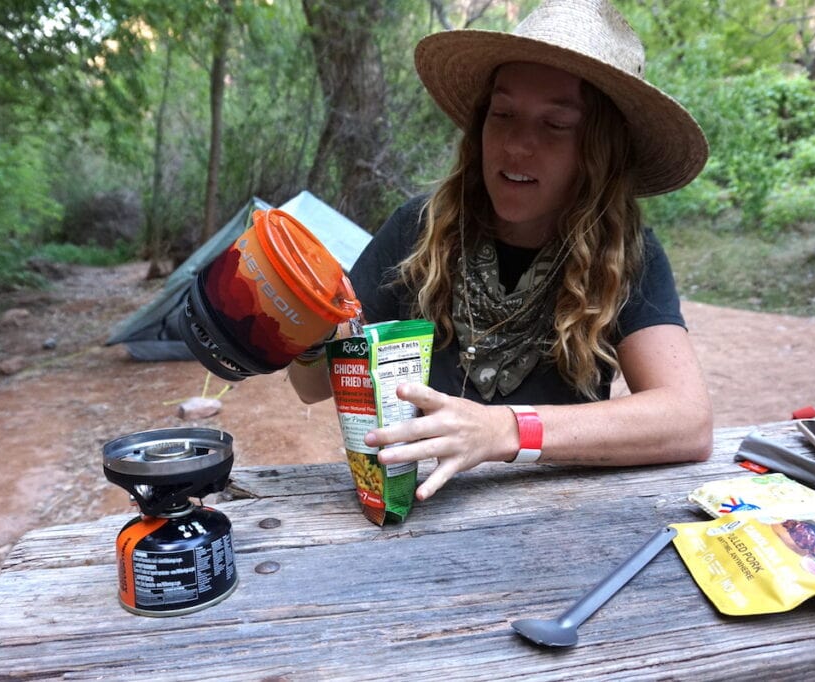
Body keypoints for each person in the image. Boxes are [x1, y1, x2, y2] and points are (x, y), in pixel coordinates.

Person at [289, 0, 713, 502]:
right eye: (503, 113)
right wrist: (300, 317)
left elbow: (688, 421)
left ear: (600, 151)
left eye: (555, 125)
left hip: (556, 518)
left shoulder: (623, 252)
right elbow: (312, 384)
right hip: (417, 510)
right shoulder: (418, 228)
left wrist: (503, 430)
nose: (516, 145)